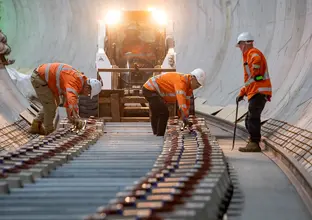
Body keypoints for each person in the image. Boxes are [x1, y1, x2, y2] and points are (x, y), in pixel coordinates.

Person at [30, 63, 102, 135]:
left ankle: (36, 125)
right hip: (39, 78)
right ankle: (49, 132)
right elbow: (71, 100)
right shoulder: (74, 82)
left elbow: (68, 100)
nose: (86, 95)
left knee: (54, 103)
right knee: (50, 107)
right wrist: (76, 118)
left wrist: (71, 118)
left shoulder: (79, 82)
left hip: (46, 79)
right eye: (88, 93)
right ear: (87, 87)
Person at [235, 32, 272, 152]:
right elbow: (249, 80)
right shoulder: (246, 56)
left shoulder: (252, 52)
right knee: (249, 119)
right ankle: (253, 140)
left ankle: (254, 143)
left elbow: (255, 64)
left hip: (259, 91)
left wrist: (255, 68)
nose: (239, 48)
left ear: (245, 43)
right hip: (254, 91)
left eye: (240, 45)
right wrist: (242, 93)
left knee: (253, 117)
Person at [142, 69, 206, 136]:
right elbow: (181, 102)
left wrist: (184, 118)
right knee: (163, 112)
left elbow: (185, 105)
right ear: (192, 78)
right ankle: (159, 136)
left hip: (155, 91)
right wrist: (184, 118)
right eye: (197, 84)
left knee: (157, 111)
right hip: (150, 89)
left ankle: (156, 133)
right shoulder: (181, 81)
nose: (197, 87)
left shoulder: (188, 89)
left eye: (199, 86)